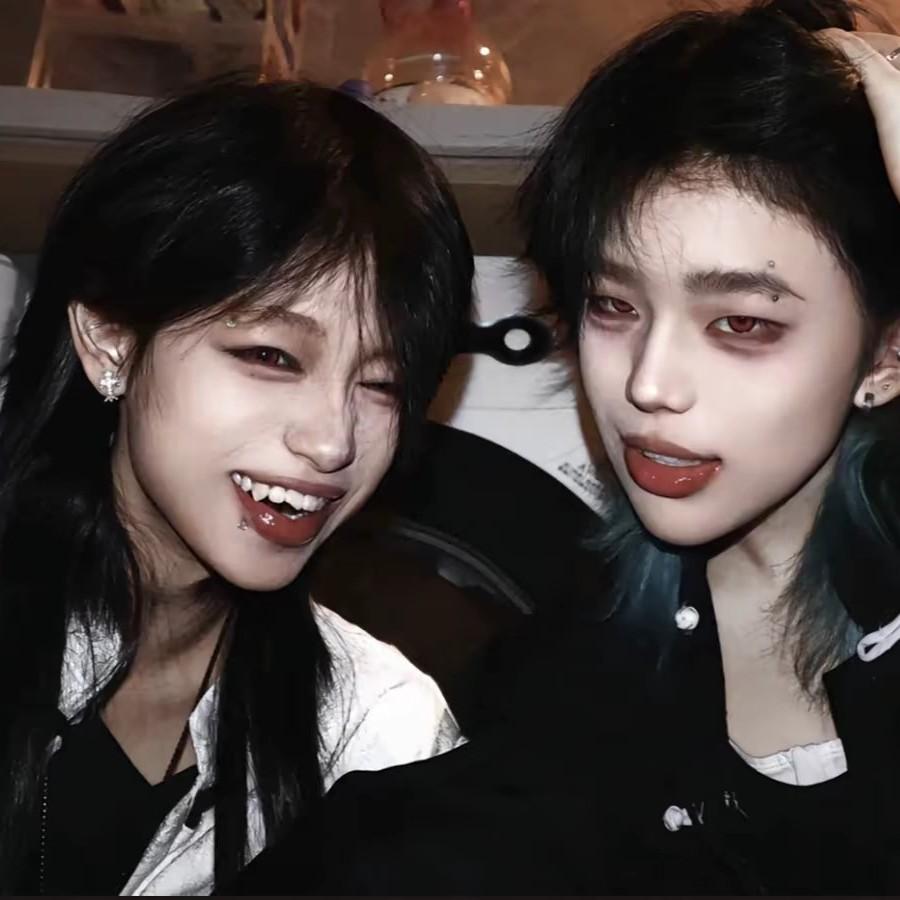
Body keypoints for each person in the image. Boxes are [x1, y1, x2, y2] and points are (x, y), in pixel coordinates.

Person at [229, 0, 900, 894]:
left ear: (885, 356)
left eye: (741, 323)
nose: (648, 384)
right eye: (614, 306)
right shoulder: (569, 670)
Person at [0, 77, 473, 894]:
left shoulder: (383, 730)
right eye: (270, 356)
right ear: (110, 337)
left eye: (383, 384)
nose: (331, 441)